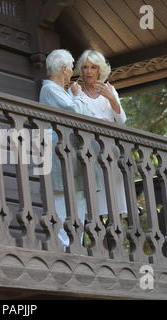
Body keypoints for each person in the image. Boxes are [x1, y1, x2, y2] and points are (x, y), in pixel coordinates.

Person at [39, 49, 127, 247]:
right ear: (63, 69)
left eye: (92, 67)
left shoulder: (62, 91)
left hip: (80, 157)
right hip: (62, 155)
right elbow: (77, 112)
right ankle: (67, 249)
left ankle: (75, 247)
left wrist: (110, 103)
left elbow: (116, 120)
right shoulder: (53, 90)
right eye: (74, 67)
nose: (76, 71)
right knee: (63, 206)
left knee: (79, 204)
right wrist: (79, 97)